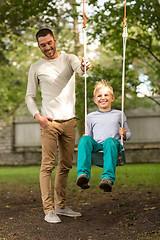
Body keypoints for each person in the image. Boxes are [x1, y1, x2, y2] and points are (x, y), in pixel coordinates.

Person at [25, 28, 91, 223]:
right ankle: (49, 210)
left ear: (55, 40)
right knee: (47, 166)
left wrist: (85, 66)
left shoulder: (69, 58)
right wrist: (38, 116)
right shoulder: (35, 67)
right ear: (39, 46)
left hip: (70, 121)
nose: (47, 47)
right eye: (42, 45)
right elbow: (30, 96)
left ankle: (61, 205)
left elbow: (81, 70)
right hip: (49, 123)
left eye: (49, 43)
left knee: (66, 165)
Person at [76, 80, 131, 192]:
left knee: (109, 141)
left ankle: (107, 179)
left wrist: (124, 134)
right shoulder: (91, 116)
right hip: (97, 146)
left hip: (113, 145)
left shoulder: (119, 114)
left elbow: (129, 134)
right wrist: (86, 138)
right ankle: (83, 176)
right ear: (95, 100)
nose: (103, 98)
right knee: (84, 139)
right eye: (99, 96)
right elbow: (89, 136)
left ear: (112, 98)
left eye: (106, 95)